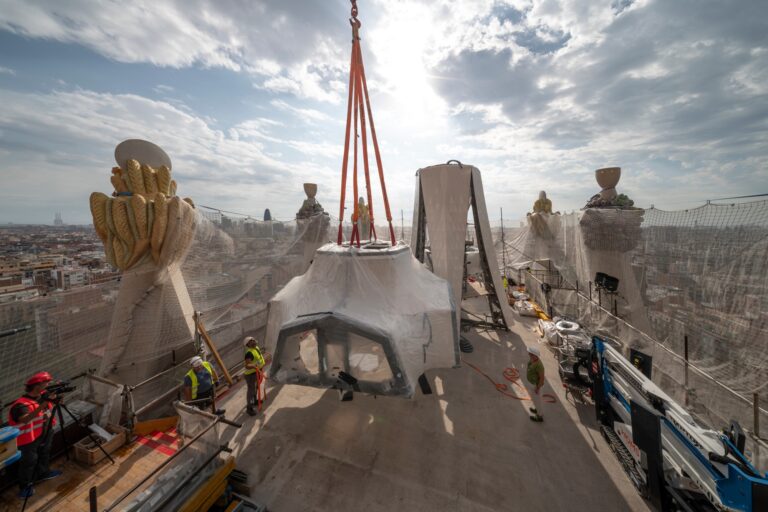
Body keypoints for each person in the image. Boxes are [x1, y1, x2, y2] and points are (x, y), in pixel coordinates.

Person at [8, 372, 63, 499]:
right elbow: (25, 419)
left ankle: (43, 473)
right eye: (46, 383)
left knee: (44, 453)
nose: (48, 385)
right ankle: (25, 487)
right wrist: (45, 403)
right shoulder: (20, 405)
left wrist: (58, 397)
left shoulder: (44, 396)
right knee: (28, 461)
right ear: (37, 386)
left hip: (45, 432)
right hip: (27, 439)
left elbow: (52, 407)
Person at [243, 336, 266, 416]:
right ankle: (249, 408)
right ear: (247, 344)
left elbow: (259, 359)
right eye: (251, 341)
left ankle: (255, 400)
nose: (253, 341)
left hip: (257, 372)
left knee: (256, 388)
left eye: (253, 340)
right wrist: (254, 366)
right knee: (251, 391)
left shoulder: (256, 348)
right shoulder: (249, 353)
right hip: (251, 375)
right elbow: (247, 365)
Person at [526, 345, 546, 422]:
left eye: (530, 354)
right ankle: (537, 409)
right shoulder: (532, 359)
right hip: (533, 383)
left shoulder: (539, 366)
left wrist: (538, 388)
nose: (529, 354)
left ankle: (539, 416)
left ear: (534, 355)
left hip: (537, 385)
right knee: (535, 399)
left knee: (538, 401)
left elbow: (542, 378)